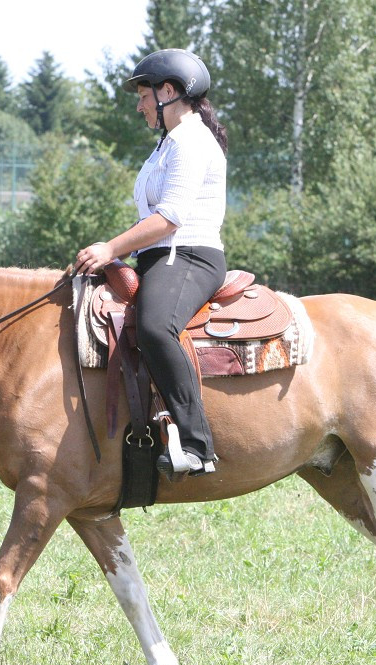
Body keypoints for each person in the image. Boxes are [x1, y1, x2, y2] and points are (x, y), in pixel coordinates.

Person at [73, 48, 228, 478]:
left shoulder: (193, 142)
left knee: (157, 327)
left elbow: (170, 217)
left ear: (168, 91)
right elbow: (151, 221)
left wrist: (111, 249)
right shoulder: (167, 146)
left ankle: (197, 446)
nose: (139, 105)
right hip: (160, 257)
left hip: (191, 257)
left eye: (143, 95)